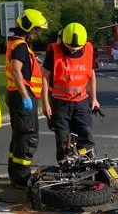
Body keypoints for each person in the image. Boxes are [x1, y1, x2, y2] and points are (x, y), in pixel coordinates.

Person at [41, 22, 101, 162]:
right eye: (70, 47)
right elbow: (45, 77)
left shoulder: (89, 49)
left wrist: (94, 98)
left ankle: (87, 163)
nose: (73, 50)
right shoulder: (54, 51)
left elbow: (91, 75)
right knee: (63, 139)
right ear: (63, 40)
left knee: (85, 134)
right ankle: (65, 166)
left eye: (77, 47)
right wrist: (45, 103)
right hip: (60, 103)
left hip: (81, 102)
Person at [5, 8, 48, 187]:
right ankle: (22, 177)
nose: (37, 33)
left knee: (18, 135)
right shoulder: (21, 46)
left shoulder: (15, 43)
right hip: (22, 94)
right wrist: (25, 96)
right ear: (28, 27)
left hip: (15, 93)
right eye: (36, 29)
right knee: (28, 136)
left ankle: (15, 174)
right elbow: (16, 69)